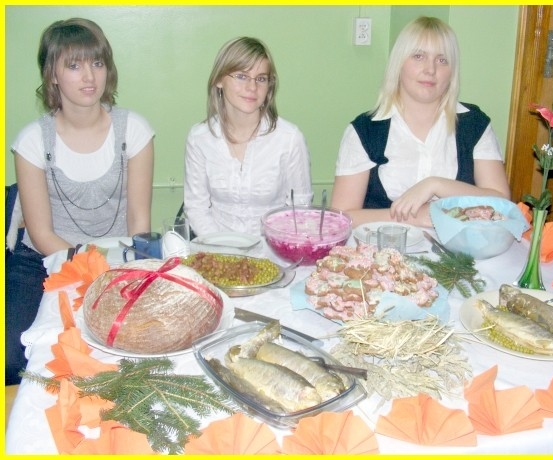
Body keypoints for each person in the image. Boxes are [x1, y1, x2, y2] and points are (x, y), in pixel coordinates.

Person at [5, 18, 155, 384]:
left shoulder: (133, 130)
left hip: (117, 257)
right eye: (74, 65)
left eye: (97, 63)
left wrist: (113, 271)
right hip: (42, 261)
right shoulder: (32, 140)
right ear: (52, 75)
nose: (89, 76)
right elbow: (41, 234)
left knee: (128, 349)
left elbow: (139, 222)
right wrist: (88, 270)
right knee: (13, 356)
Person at [330, 16, 510, 228]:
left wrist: (435, 185)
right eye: (418, 56)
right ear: (398, 64)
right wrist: (415, 216)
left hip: (458, 249)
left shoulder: (474, 125)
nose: (430, 70)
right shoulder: (365, 131)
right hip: (380, 246)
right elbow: (342, 218)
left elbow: (502, 204)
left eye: (442, 60)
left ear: (452, 72)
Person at [183, 36, 313, 237]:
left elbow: (300, 211)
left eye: (261, 79)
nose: (252, 87)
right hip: (216, 249)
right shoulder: (199, 138)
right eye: (242, 76)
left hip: (273, 250)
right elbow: (196, 208)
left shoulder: (289, 139)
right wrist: (223, 248)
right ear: (219, 80)